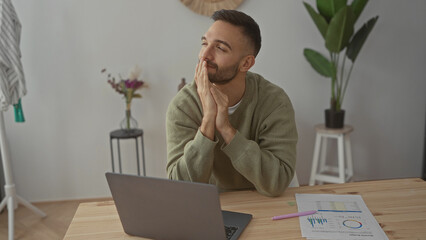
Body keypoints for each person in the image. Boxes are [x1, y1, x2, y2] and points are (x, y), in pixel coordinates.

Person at [166, 9, 297, 197]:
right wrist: (208, 120)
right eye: (205, 43)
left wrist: (226, 128)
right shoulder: (183, 106)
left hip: (265, 203)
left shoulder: (275, 102)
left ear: (246, 63)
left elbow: (277, 182)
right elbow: (179, 188)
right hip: (212, 206)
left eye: (220, 48)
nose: (205, 55)